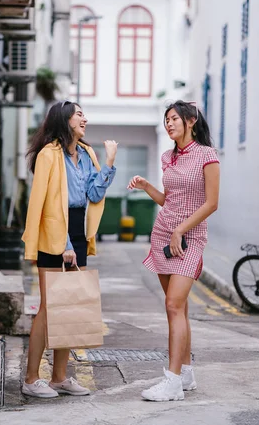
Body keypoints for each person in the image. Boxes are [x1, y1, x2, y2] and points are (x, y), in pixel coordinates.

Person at [21, 100, 117, 399]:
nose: (84, 119)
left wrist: (110, 161)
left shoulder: (87, 153)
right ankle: (31, 377)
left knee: (70, 305)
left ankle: (59, 377)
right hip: (54, 231)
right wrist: (63, 243)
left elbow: (93, 193)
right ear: (65, 120)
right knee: (49, 308)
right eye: (79, 114)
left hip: (76, 228)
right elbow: (46, 201)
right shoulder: (49, 155)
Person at [128, 100, 220, 402]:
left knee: (172, 305)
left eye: (173, 119)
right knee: (179, 309)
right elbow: (169, 199)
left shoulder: (207, 156)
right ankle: (186, 372)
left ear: (190, 120)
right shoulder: (168, 157)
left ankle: (172, 382)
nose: (169, 124)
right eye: (166, 120)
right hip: (163, 236)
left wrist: (182, 230)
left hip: (190, 238)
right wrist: (146, 186)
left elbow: (211, 203)